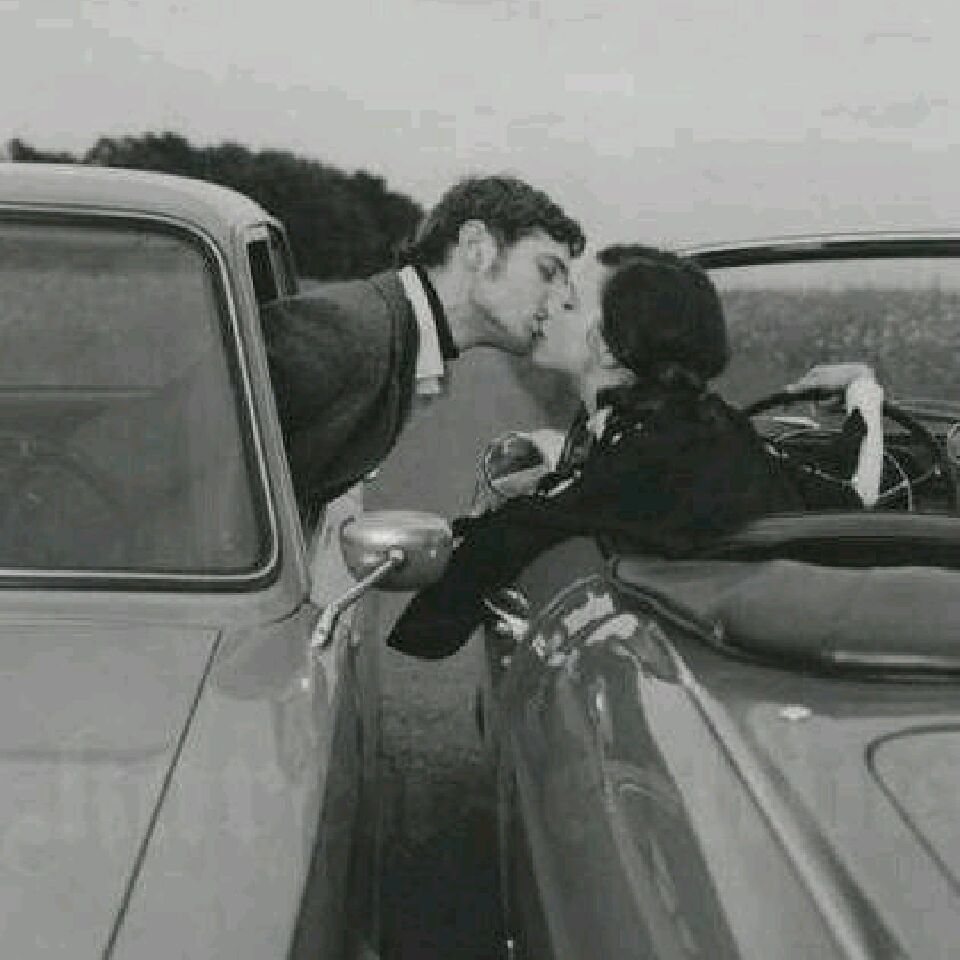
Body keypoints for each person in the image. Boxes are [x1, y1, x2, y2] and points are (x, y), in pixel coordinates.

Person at [387, 244, 884, 659]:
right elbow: (848, 499)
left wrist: (427, 620)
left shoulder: (658, 450)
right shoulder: (690, 426)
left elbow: (522, 530)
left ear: (607, 347)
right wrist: (864, 395)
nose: (548, 303)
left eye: (570, 301)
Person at [260, 175, 585, 520]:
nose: (566, 299)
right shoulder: (351, 332)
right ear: (476, 248)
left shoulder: (395, 337)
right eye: (548, 271)